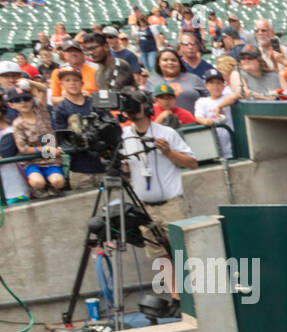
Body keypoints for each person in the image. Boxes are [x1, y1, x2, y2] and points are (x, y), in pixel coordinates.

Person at [120, 86, 195, 310]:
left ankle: (192, 296)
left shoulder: (166, 133)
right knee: (160, 255)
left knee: (181, 251)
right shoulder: (124, 136)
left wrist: (169, 153)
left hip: (171, 203)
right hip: (145, 206)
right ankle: (176, 298)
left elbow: (192, 162)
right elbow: (123, 167)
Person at [50, 66, 105, 187]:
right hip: (79, 167)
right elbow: (62, 137)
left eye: (75, 80)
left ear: (82, 82)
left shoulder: (94, 102)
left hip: (102, 161)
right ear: (61, 84)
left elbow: (108, 124)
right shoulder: (61, 108)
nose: (72, 83)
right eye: (67, 80)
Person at [8, 79, 64, 195]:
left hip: (50, 159)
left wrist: (29, 82)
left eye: (26, 99)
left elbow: (43, 89)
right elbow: (23, 149)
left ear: (32, 100)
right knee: (38, 182)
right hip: (32, 161)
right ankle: (39, 189)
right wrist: (46, 149)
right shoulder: (17, 123)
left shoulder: (41, 111)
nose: (23, 103)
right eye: (17, 100)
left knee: (58, 181)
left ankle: (52, 187)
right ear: (11, 105)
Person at [193, 68, 235, 157]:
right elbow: (198, 117)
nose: (215, 86)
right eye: (211, 82)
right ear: (206, 85)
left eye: (219, 82)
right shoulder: (202, 101)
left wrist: (220, 106)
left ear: (223, 85)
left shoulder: (228, 96)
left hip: (231, 142)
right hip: (213, 142)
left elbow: (236, 95)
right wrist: (206, 121)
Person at [148, 48, 205, 112]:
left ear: (179, 63)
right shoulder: (151, 81)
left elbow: (209, 99)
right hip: (162, 120)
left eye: (174, 60)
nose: (170, 62)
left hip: (192, 120)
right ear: (158, 63)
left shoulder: (193, 78)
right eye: (165, 60)